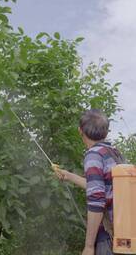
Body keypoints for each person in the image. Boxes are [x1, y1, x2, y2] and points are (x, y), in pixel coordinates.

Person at [53, 109, 125, 255]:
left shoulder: (94, 154)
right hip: (125, 232)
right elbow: (103, 188)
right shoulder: (114, 153)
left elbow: (97, 200)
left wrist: (89, 246)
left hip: (109, 237)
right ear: (106, 131)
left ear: (80, 130)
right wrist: (69, 176)